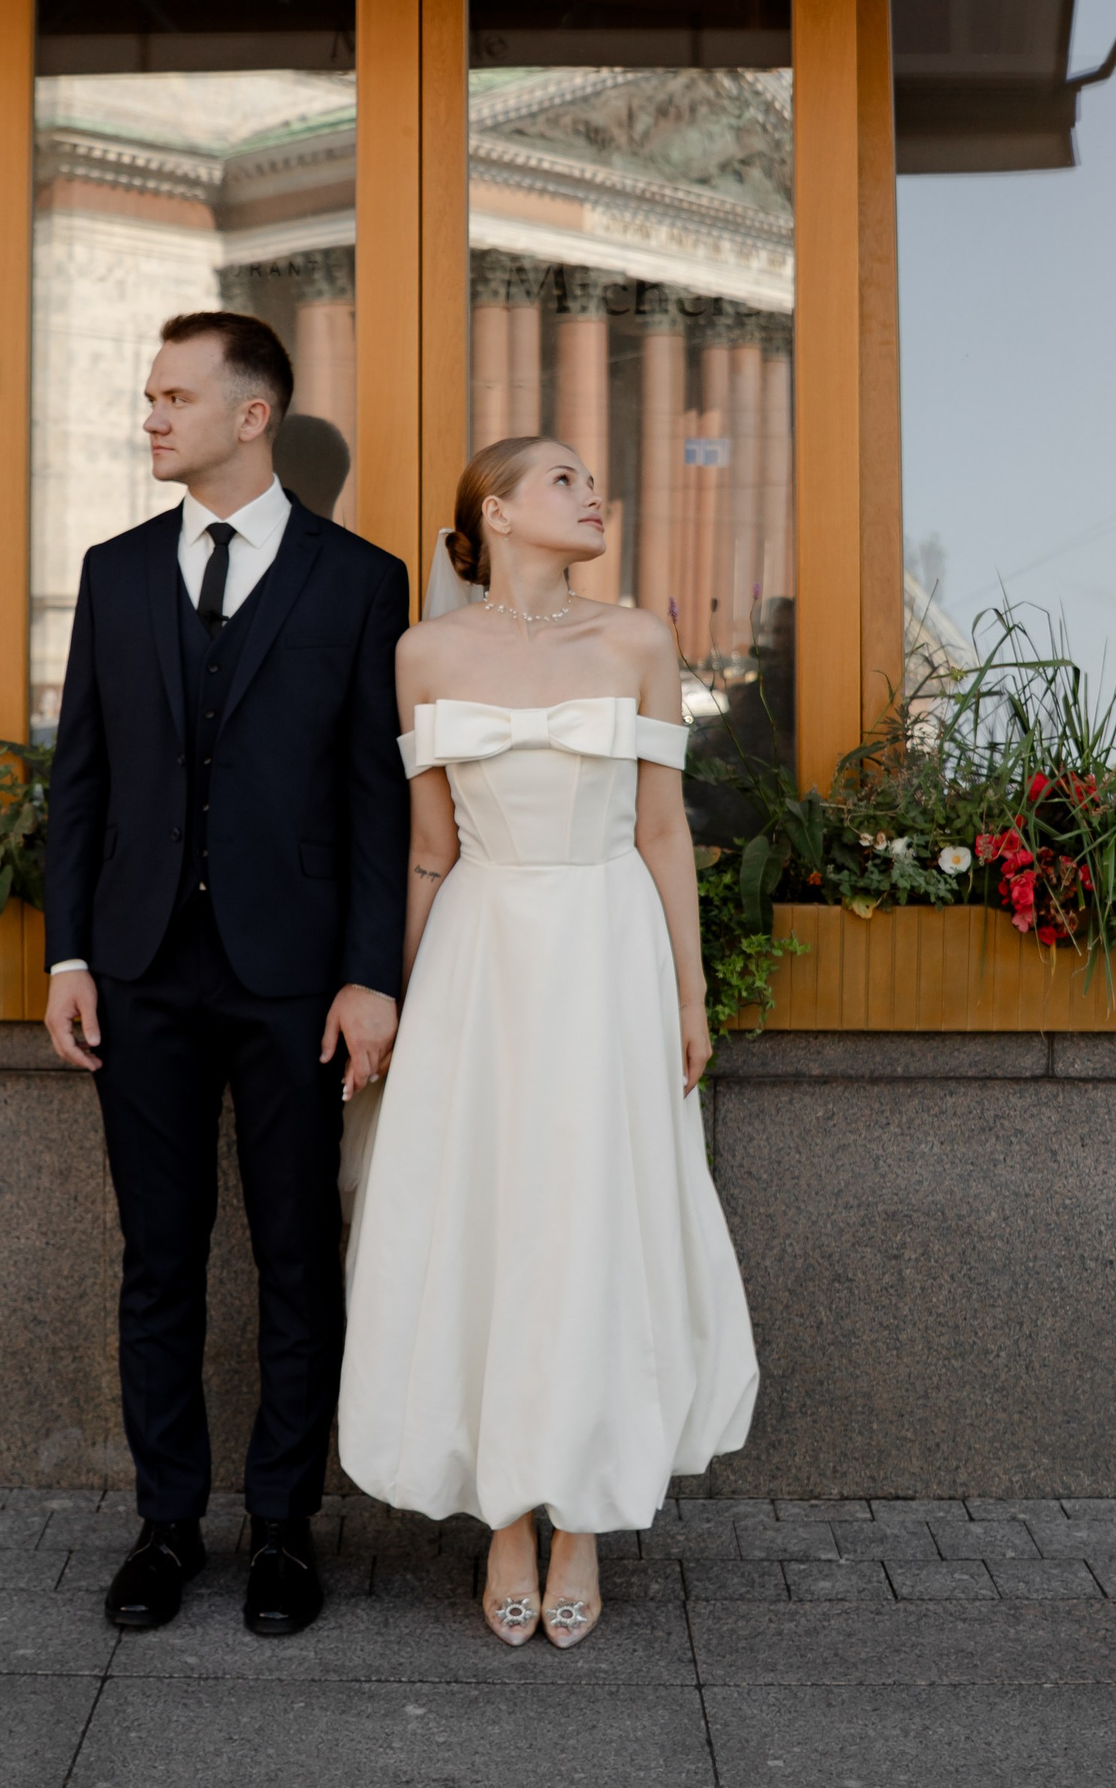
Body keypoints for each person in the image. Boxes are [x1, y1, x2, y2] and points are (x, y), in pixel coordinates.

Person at [337, 436, 760, 1648]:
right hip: (480, 952)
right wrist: (402, 1002)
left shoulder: (633, 638)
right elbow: (431, 846)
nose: (595, 495)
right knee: (490, 1219)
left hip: (605, 943)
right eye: (567, 480)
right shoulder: (423, 652)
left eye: (592, 478)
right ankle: (504, 1515)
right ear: (499, 511)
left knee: (591, 1218)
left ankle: (582, 1514)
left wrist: (686, 995)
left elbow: (665, 831)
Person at [44, 311, 409, 1638]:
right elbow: (77, 778)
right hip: (137, 969)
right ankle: (164, 1523)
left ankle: (283, 1529)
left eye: (173, 397)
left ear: (252, 416)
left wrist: (372, 976)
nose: (151, 416)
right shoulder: (116, 570)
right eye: (149, 395)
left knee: (300, 1254)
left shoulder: (360, 583)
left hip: (295, 981)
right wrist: (69, 949)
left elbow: (379, 802)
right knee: (160, 1256)